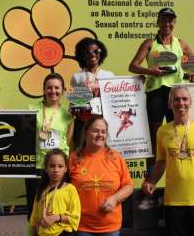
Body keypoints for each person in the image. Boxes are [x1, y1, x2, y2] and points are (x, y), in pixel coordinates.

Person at [129, 8, 194, 167]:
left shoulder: (181, 43)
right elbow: (133, 66)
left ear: (174, 23)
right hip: (156, 93)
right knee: (154, 137)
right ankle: (150, 181)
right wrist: (150, 71)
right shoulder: (150, 43)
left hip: (176, 94)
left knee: (177, 133)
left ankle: (178, 172)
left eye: (170, 20)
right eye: (163, 20)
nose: (167, 24)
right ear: (158, 22)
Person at [142, 86, 194, 236]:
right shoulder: (162, 131)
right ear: (169, 104)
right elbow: (161, 162)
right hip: (173, 202)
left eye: (185, 99)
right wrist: (152, 181)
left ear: (191, 102)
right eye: (176, 99)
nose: (181, 103)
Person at [69, 117, 134, 236]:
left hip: (110, 226)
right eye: (96, 131)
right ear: (86, 132)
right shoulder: (73, 159)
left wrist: (115, 199)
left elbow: (129, 186)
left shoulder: (116, 157)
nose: (100, 135)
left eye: (103, 132)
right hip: (82, 226)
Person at [27, 73, 75, 226]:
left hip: (59, 169)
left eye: (57, 88)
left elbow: (67, 141)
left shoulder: (68, 116)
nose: (53, 91)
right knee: (34, 213)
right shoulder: (32, 109)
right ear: (43, 90)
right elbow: (18, 130)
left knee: (58, 208)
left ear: (62, 90)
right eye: (49, 87)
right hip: (37, 168)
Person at [70, 38, 114, 149]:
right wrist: (85, 94)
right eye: (87, 52)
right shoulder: (76, 77)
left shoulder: (109, 75)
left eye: (96, 51)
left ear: (101, 53)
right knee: (81, 152)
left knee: (104, 152)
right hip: (83, 123)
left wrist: (137, 81)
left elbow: (114, 100)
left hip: (103, 122)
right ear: (82, 55)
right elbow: (72, 103)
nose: (92, 54)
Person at [30, 149, 81, 236]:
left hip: (63, 233)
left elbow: (75, 217)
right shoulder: (41, 190)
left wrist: (56, 217)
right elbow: (35, 219)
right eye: (52, 166)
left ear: (65, 169)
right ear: (46, 168)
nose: (56, 170)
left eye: (60, 166)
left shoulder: (70, 189)